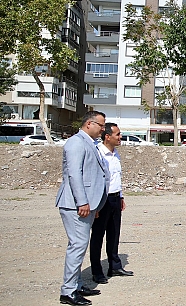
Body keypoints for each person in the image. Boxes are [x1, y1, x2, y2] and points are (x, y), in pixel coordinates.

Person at [55, 111, 109, 305]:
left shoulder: (89, 143)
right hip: (75, 204)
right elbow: (74, 175)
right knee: (77, 246)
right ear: (89, 124)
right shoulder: (76, 143)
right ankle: (68, 291)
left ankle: (76, 284)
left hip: (86, 204)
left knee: (79, 245)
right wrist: (83, 202)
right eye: (101, 125)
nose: (103, 129)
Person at [90, 122, 134, 284]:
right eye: (117, 134)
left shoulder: (116, 154)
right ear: (107, 137)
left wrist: (121, 196)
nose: (120, 137)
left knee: (114, 234)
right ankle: (96, 271)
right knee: (98, 236)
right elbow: (94, 179)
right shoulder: (98, 154)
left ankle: (114, 266)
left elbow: (117, 177)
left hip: (115, 198)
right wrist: (94, 204)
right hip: (102, 199)